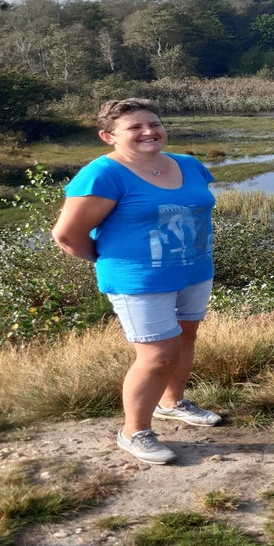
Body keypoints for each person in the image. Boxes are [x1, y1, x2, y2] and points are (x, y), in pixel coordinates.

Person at [51, 98, 221, 465]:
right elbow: (66, 235)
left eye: (154, 124)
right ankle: (134, 431)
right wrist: (113, 261)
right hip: (139, 280)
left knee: (185, 339)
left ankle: (171, 403)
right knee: (157, 356)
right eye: (135, 128)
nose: (149, 132)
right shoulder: (104, 175)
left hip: (194, 270)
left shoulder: (189, 165)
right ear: (108, 136)